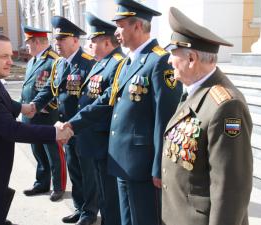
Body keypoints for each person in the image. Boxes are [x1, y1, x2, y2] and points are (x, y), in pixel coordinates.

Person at [61, 1, 182, 225]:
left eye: (120, 25)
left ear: (137, 26)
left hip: (144, 165)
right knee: (125, 219)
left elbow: (166, 119)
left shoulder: (160, 61)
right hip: (120, 158)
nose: (116, 32)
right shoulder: (127, 62)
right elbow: (106, 100)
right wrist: (72, 124)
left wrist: (159, 167)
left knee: (144, 219)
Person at [0, 32, 73, 225]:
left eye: (10, 55)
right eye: (3, 56)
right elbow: (12, 130)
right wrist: (55, 132)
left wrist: (24, 107)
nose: (10, 61)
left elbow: (2, 100)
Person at [161, 7, 253, 225]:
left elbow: (231, 189)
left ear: (191, 58)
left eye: (172, 54)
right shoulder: (195, 92)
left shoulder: (226, 106)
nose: (168, 61)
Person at [30, 16, 99, 225]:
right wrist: (33, 105)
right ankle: (79, 208)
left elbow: (90, 102)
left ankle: (89, 212)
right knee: (75, 171)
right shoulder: (59, 64)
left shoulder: (88, 64)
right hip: (66, 130)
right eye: (56, 39)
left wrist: (73, 126)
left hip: (83, 130)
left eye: (61, 39)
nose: (57, 43)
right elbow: (49, 91)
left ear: (75, 41)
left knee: (88, 175)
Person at [74, 12, 125, 225]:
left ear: (106, 42)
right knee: (104, 194)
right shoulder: (102, 62)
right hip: (94, 139)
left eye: (92, 42)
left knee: (110, 196)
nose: (89, 46)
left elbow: (106, 101)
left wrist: (73, 124)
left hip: (104, 141)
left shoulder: (118, 63)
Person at [20, 25, 66, 201]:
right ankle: (41, 183)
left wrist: (47, 107)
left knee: (53, 153)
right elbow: (28, 88)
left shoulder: (54, 60)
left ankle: (58, 186)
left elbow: (57, 89)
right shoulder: (32, 60)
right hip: (31, 115)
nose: (27, 47)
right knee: (38, 151)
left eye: (29, 43)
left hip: (47, 115)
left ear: (37, 42)